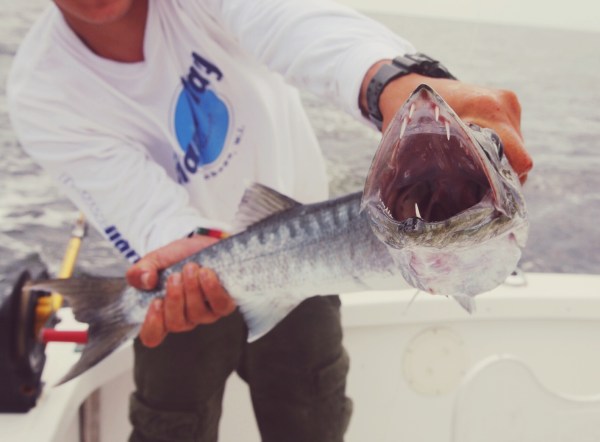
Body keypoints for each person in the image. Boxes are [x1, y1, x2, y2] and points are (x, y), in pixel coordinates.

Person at [7, 0, 532, 441]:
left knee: (310, 423)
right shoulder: (41, 91)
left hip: (310, 271)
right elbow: (139, 204)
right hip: (180, 290)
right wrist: (186, 252)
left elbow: (301, 25)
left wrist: (397, 84)